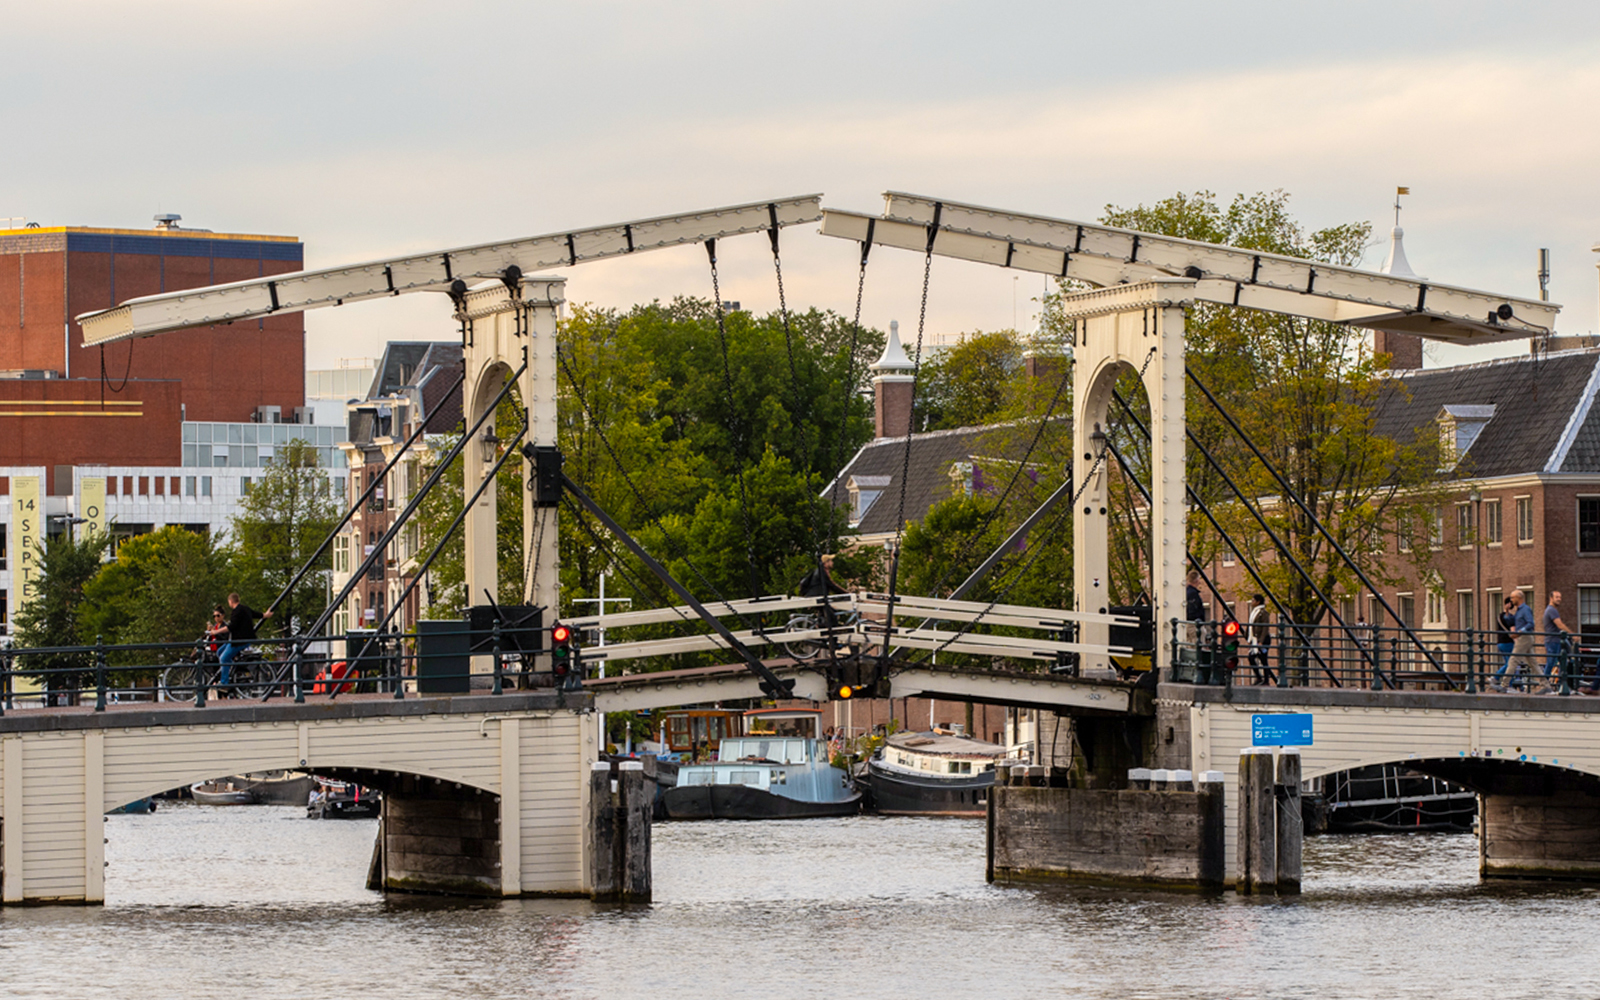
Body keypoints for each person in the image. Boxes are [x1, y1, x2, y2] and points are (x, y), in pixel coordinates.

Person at [219, 592, 272, 691]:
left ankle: (224, 683)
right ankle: (230, 669)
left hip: (239, 641)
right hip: (246, 639)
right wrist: (266, 615)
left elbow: (231, 627)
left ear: (230, 601)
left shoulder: (236, 612)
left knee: (223, 658)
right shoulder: (245, 608)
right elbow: (257, 614)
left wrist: (216, 631)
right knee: (219, 651)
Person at [1499, 589, 1536, 693]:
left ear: (1519, 598)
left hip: (1524, 637)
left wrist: (1519, 631)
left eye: (1512, 598)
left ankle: (1504, 685)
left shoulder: (1525, 609)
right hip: (1522, 637)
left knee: (1513, 660)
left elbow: (1530, 623)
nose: (1511, 600)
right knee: (1533, 663)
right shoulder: (1518, 611)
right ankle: (1545, 685)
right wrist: (1506, 611)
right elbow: (1510, 621)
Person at [1539, 590, 1574, 694]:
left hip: (1555, 640)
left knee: (1564, 662)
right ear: (1551, 598)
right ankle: (1545, 686)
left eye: (1560, 597)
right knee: (1551, 662)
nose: (1559, 599)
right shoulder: (1552, 610)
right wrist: (1572, 634)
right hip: (1553, 640)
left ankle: (1563, 686)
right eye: (1557, 597)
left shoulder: (1551, 610)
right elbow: (1559, 624)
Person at [1489, 597, 1517, 690]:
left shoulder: (1499, 616)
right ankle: (1502, 681)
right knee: (1511, 664)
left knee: (1508, 663)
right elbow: (1513, 631)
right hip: (1508, 642)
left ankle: (1505, 683)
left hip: (1500, 643)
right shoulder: (1510, 618)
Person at [1246, 594, 1273, 685]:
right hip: (1255, 639)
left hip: (1262, 640)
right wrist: (1249, 638)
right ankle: (1260, 678)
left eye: (1253, 600)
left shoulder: (1263, 613)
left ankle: (1264, 680)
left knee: (1263, 659)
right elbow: (1251, 626)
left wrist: (1261, 641)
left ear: (1258, 602)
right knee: (1253, 658)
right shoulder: (1254, 612)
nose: (1252, 602)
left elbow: (1265, 628)